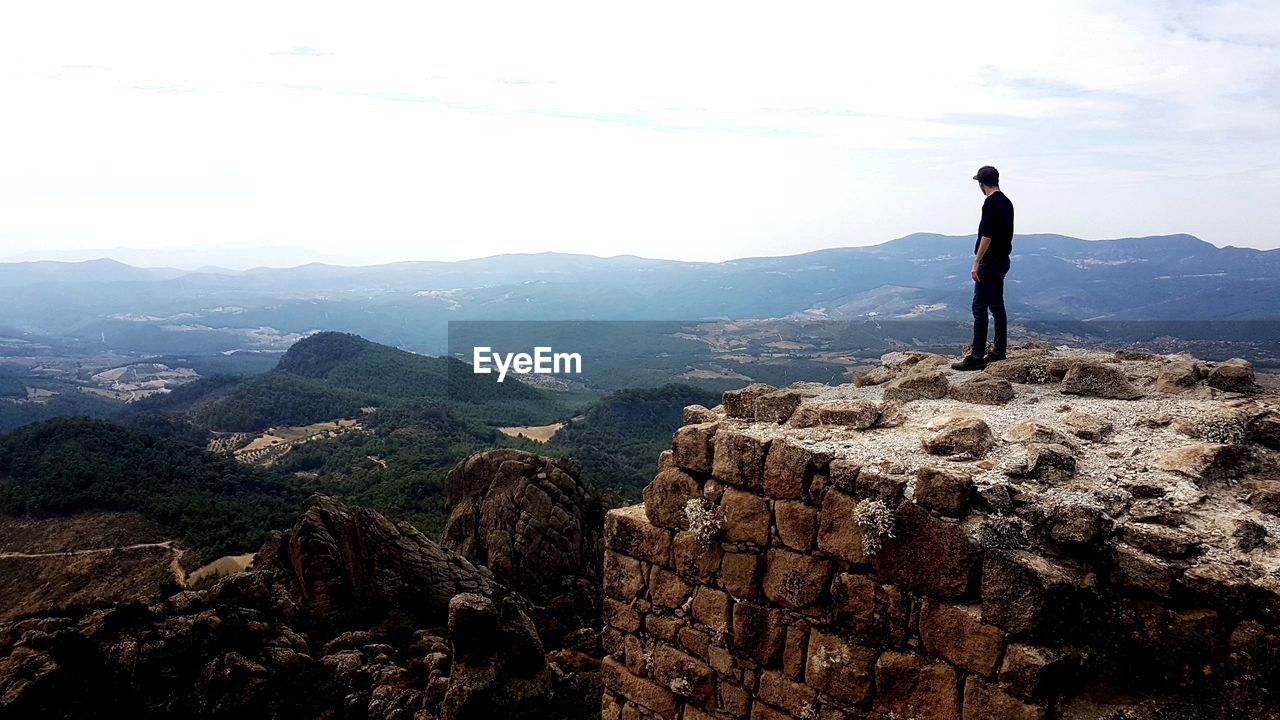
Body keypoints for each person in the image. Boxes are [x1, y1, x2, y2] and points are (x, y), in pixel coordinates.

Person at [952, 165, 1013, 371]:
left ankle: (977, 355)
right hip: (1003, 260)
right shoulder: (1007, 202)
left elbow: (987, 234)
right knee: (997, 305)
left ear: (981, 184)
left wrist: (977, 261)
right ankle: (999, 350)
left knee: (979, 308)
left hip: (989, 261)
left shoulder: (990, 203)